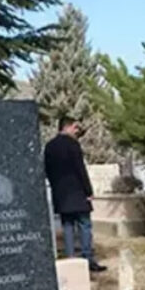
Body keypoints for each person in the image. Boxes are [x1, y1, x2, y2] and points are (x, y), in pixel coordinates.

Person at [44, 117, 105, 272]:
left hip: (61, 194)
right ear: (68, 127)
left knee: (67, 226)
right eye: (76, 128)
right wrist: (88, 191)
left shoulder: (49, 146)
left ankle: (71, 259)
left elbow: (47, 170)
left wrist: (56, 188)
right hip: (77, 192)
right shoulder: (73, 144)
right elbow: (80, 169)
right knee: (84, 225)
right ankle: (87, 258)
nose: (77, 131)